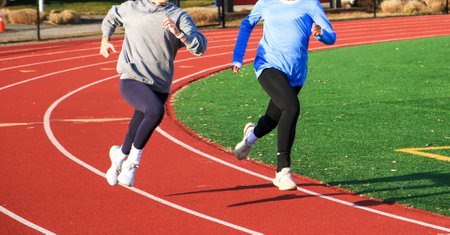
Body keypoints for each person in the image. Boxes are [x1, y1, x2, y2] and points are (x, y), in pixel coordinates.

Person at [100, 0, 207, 187]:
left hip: (160, 84)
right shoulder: (131, 8)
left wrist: (180, 35)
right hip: (132, 77)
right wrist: (105, 39)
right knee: (155, 112)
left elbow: (200, 47)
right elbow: (111, 17)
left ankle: (118, 157)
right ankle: (131, 165)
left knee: (136, 126)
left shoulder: (178, 16)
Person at [231, 0, 336, 190]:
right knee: (291, 106)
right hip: (267, 65)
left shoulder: (310, 4)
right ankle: (283, 171)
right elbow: (247, 24)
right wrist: (238, 56)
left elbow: (331, 36)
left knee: (273, 118)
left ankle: (250, 139)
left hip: (295, 74)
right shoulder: (266, 2)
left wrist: (321, 34)